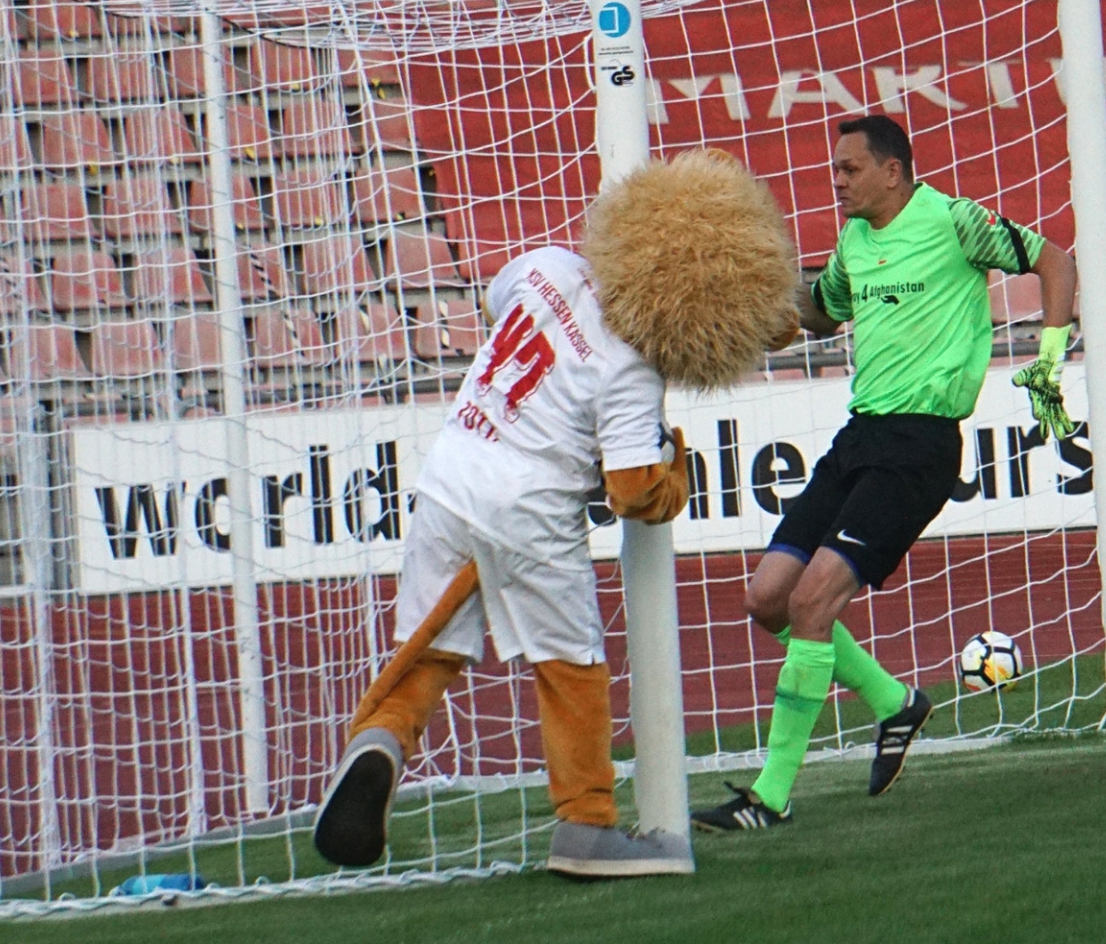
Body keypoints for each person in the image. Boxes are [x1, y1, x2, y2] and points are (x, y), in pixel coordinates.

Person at [314, 150, 800, 877]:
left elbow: (496, 303)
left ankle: (379, 739)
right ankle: (586, 825)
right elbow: (633, 491)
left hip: (452, 469)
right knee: (571, 666)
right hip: (531, 505)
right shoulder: (633, 368)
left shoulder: (549, 267)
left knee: (431, 645)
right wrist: (675, 468)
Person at [692, 115, 1077, 833]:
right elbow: (821, 314)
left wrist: (1049, 362)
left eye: (850, 169)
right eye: (835, 170)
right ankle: (897, 705)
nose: (837, 181)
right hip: (861, 435)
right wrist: (742, 296)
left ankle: (770, 797)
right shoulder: (853, 242)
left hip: (919, 445)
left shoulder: (955, 222)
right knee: (767, 599)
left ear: (892, 171)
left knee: (812, 603)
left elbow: (1055, 261)